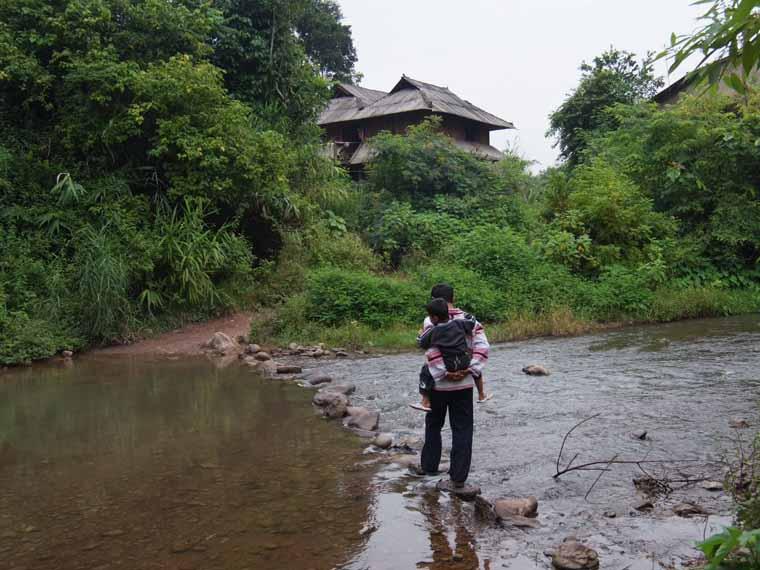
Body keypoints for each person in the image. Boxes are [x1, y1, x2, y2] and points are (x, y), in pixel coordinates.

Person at [417, 283, 490, 489]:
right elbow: (483, 346)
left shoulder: (431, 320)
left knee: (434, 424)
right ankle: (458, 478)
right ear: (453, 298)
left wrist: (445, 372)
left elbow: (431, 351)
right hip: (465, 386)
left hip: (438, 385)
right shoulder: (470, 320)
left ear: (434, 300)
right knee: (463, 429)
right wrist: (470, 369)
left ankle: (430, 467)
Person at [411, 298, 492, 412]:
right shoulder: (459, 323)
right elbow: (474, 325)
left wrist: (420, 335)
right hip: (464, 363)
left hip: (448, 365)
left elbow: (423, 343)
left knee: (425, 369)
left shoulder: (434, 331)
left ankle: (425, 400)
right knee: (476, 369)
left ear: (434, 318)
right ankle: (481, 394)